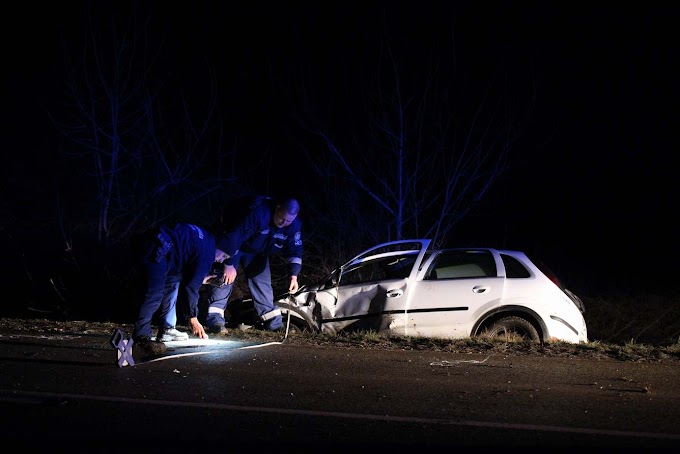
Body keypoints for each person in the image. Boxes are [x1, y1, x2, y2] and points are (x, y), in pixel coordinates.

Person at [205, 195, 303, 334]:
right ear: (277, 208)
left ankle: (274, 324)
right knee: (224, 278)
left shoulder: (294, 225)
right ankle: (215, 321)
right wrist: (228, 263)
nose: (284, 223)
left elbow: (295, 250)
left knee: (263, 285)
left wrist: (294, 275)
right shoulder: (259, 213)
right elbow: (235, 236)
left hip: (258, 253)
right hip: (236, 246)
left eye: (288, 221)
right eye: (282, 218)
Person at [132, 222, 228, 355]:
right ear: (219, 247)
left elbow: (186, 267)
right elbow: (190, 288)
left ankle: (166, 329)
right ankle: (141, 337)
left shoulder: (206, 238)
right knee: (154, 294)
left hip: (163, 247)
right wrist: (192, 318)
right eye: (223, 256)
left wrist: (200, 279)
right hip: (159, 248)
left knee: (172, 284)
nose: (220, 260)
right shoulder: (208, 252)